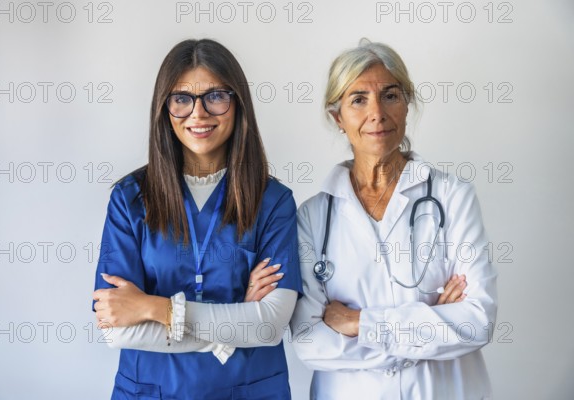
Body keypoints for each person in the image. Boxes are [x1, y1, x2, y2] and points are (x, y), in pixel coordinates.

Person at [92, 39, 302, 400]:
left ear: (238, 103)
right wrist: (236, 326)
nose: (199, 113)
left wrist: (156, 309)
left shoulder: (273, 202)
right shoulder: (129, 199)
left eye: (216, 96)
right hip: (152, 391)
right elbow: (117, 330)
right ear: (164, 108)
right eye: (182, 99)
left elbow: (269, 326)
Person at [290, 39, 498, 399]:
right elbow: (310, 343)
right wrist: (429, 324)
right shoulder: (313, 217)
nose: (377, 113)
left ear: (407, 103)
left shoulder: (453, 197)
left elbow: (477, 322)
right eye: (358, 100)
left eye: (390, 95)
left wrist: (359, 323)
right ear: (337, 117)